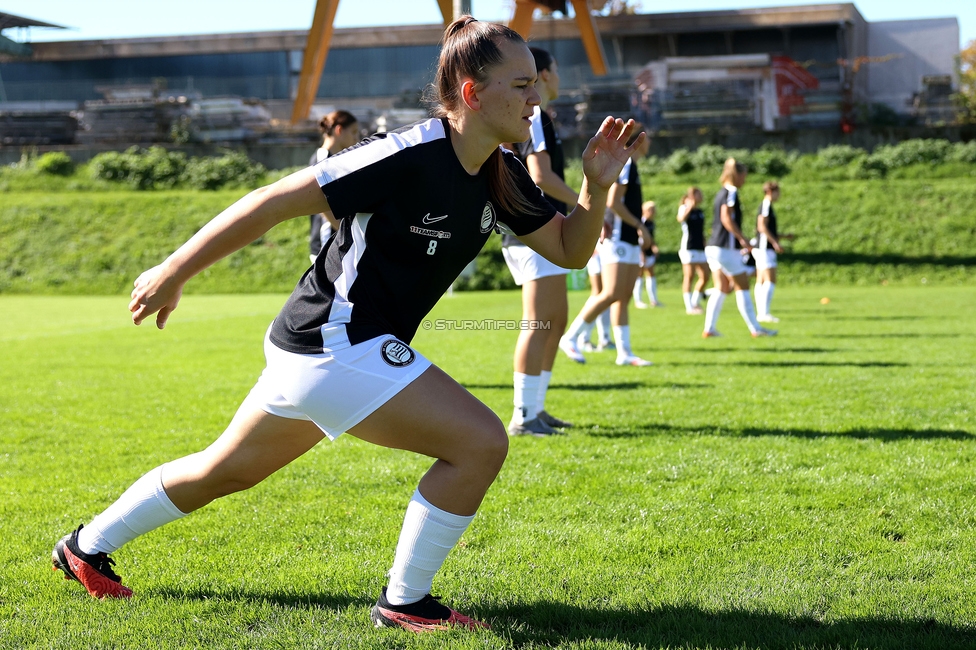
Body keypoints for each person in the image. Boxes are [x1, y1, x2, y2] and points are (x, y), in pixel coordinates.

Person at [50, 15, 644, 633]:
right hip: (336, 340)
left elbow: (570, 251)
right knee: (479, 441)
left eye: (534, 84)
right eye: (521, 85)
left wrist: (595, 188)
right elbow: (271, 201)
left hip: (319, 347)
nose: (537, 97)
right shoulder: (403, 153)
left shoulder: (502, 171)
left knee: (225, 470)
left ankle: (84, 547)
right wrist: (173, 270)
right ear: (472, 92)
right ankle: (406, 602)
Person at [501, 46, 581, 437]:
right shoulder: (533, 116)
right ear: (545, 74)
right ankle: (522, 415)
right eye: (557, 70)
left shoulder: (539, 116)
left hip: (538, 231)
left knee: (555, 321)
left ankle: (536, 407)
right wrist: (587, 203)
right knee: (538, 323)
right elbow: (541, 177)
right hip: (533, 232)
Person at [560, 130, 654, 367]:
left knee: (623, 297)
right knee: (610, 293)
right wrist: (639, 225)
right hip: (619, 237)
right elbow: (613, 202)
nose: (650, 142)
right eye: (647, 137)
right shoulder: (628, 164)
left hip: (629, 239)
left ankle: (624, 353)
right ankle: (571, 337)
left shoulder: (634, 167)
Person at [701, 158, 775, 339]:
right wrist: (742, 239)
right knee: (743, 286)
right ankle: (756, 328)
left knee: (722, 287)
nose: (745, 180)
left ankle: (709, 329)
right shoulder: (731, 192)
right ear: (737, 175)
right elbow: (726, 218)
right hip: (725, 248)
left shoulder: (720, 193)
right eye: (744, 176)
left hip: (712, 247)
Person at [309, 110, 361, 263]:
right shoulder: (322, 159)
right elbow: (322, 205)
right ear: (339, 130)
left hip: (337, 241)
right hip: (326, 242)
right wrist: (347, 233)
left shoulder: (339, 159)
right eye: (354, 132)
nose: (357, 139)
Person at [753, 181, 793, 323]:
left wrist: (782, 236)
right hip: (764, 247)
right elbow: (761, 226)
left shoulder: (767, 206)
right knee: (770, 279)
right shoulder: (766, 205)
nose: (779, 195)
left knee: (761, 280)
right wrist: (775, 242)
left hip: (762, 247)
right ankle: (764, 313)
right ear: (770, 191)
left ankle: (761, 313)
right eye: (777, 192)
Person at [675, 187, 709, 315]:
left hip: (700, 247)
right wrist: (689, 206)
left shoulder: (700, 211)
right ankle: (689, 307)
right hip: (689, 247)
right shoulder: (684, 208)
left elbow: (701, 231)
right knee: (689, 276)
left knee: (705, 275)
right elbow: (681, 218)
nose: (701, 196)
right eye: (699, 194)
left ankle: (695, 302)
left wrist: (705, 244)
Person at [578, 244, 614, 352]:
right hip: (596, 249)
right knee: (598, 292)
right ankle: (583, 338)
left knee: (607, 294)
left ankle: (605, 338)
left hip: (607, 247)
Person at [633, 200, 661, 308]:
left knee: (651, 274)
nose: (653, 212)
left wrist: (654, 247)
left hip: (649, 253)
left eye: (654, 209)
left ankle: (654, 300)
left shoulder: (651, 223)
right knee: (639, 275)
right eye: (650, 209)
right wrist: (641, 253)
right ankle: (638, 300)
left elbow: (651, 238)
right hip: (641, 253)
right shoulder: (641, 222)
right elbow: (639, 239)